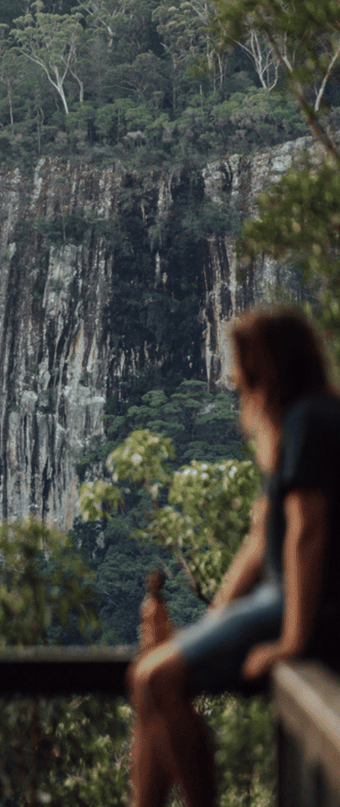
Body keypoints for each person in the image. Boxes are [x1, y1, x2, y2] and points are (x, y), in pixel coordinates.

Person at [127, 307, 340, 807]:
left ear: (269, 365)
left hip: (303, 604)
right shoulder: (294, 422)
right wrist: (213, 620)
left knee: (157, 677)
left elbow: (308, 531)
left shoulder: (311, 420)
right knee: (146, 679)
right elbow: (259, 534)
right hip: (275, 598)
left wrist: (292, 638)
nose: (233, 376)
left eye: (242, 363)